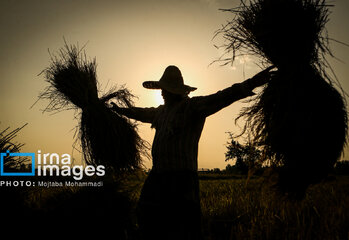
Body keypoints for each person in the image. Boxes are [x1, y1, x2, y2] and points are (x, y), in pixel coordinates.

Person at [110, 65, 273, 240]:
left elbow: (222, 97)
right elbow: (141, 113)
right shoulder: (160, 112)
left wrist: (251, 83)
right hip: (157, 176)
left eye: (165, 90)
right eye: (162, 90)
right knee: (147, 216)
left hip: (181, 179)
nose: (162, 93)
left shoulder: (193, 107)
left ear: (175, 91)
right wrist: (121, 111)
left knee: (183, 226)